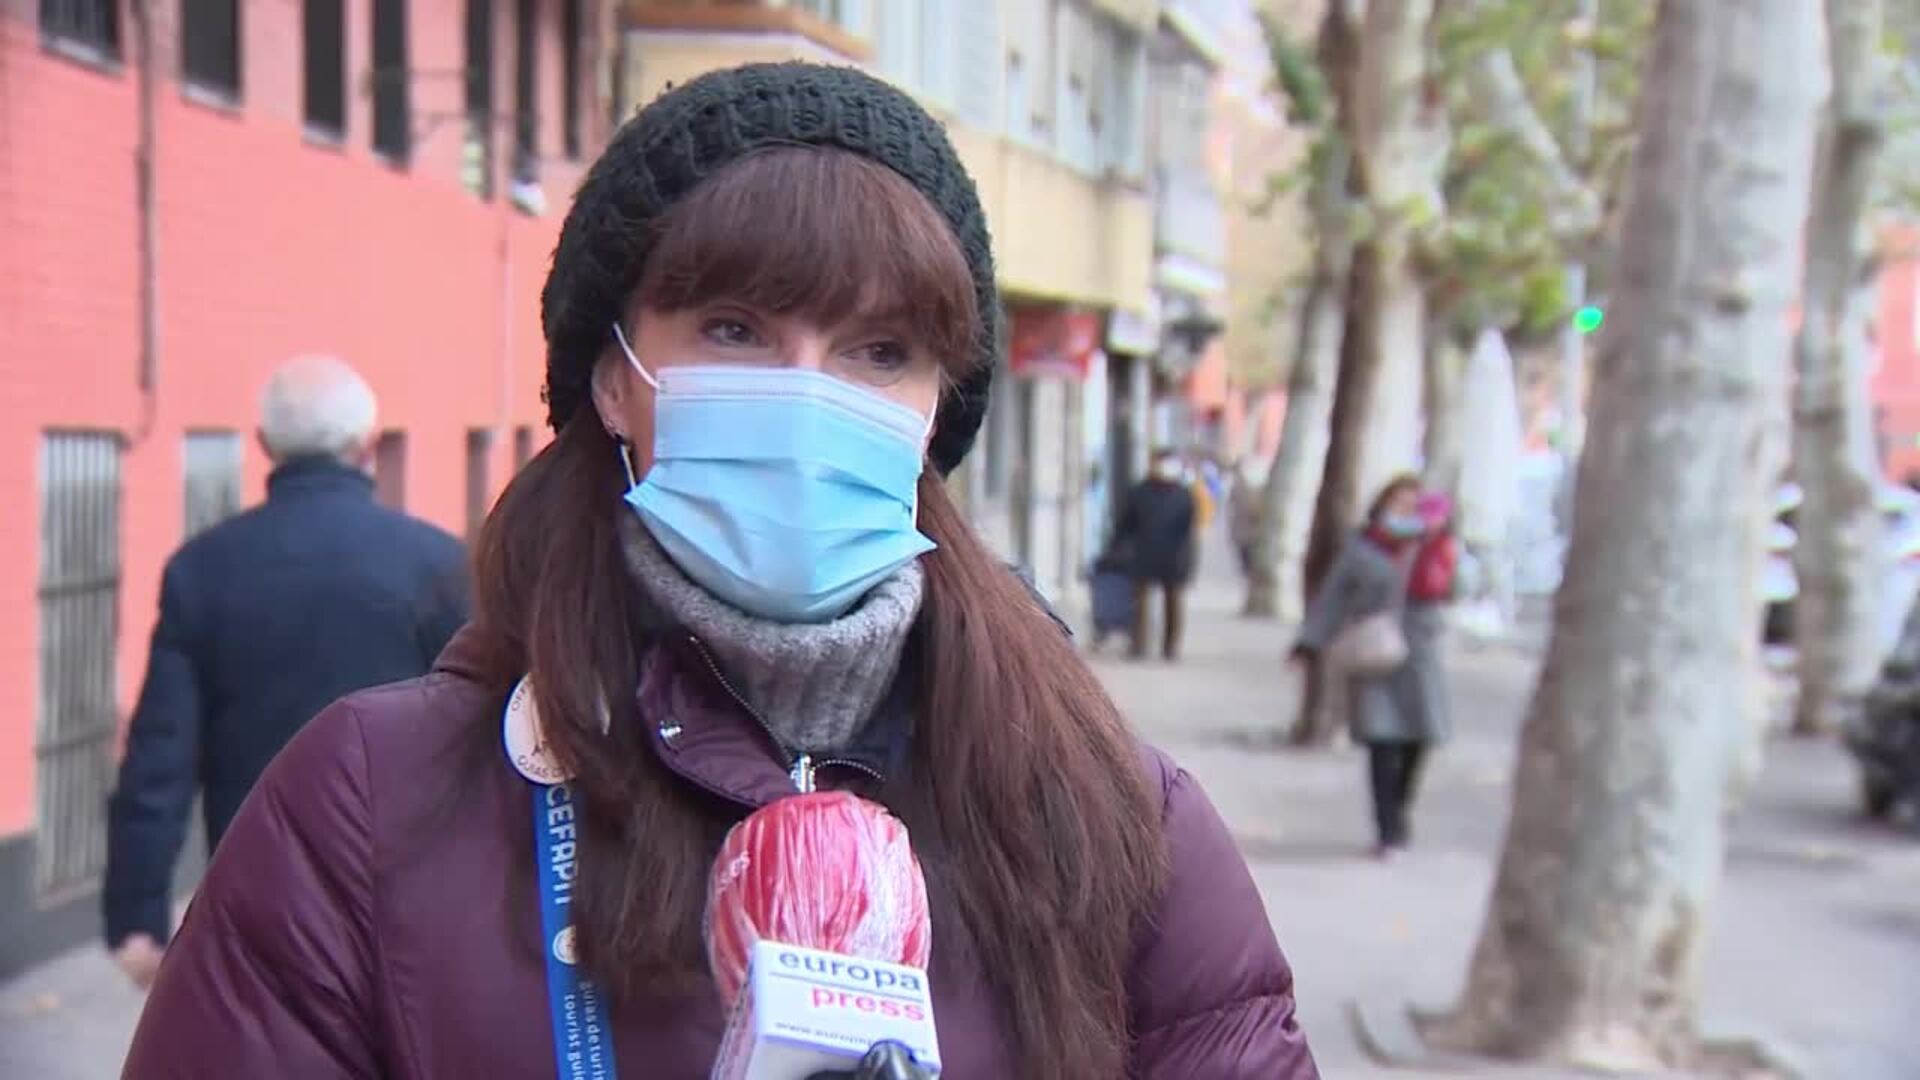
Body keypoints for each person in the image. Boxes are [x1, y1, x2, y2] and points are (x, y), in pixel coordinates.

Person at [122, 64, 1319, 1080]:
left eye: (879, 351)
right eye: (736, 330)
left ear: (931, 420)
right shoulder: (371, 806)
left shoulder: (1112, 813)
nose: (806, 393)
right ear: (614, 376)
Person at [102, 356, 468, 990]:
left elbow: (161, 753)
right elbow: (478, 729)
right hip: (406, 890)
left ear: (265, 444)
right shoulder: (437, 564)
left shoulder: (202, 570)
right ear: (369, 444)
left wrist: (138, 914)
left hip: (256, 892)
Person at [1291, 475, 1449, 859]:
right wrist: (1309, 641)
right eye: (1398, 504)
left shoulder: (1431, 547)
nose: (1405, 514)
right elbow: (1332, 598)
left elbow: (1451, 588)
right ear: (1381, 507)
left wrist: (1437, 542)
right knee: (1383, 741)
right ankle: (1388, 830)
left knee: (1419, 739)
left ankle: (1401, 807)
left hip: (1419, 654)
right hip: (1373, 654)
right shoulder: (1361, 550)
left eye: (1414, 506)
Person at [1113, 449, 1199, 662]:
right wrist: (1118, 547)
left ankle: (1170, 647)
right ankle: (1138, 644)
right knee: (1139, 602)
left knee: (1173, 603)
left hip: (1174, 557)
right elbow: (1126, 524)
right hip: (1144, 554)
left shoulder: (1183, 494)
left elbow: (1189, 530)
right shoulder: (1140, 492)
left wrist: (1187, 560)